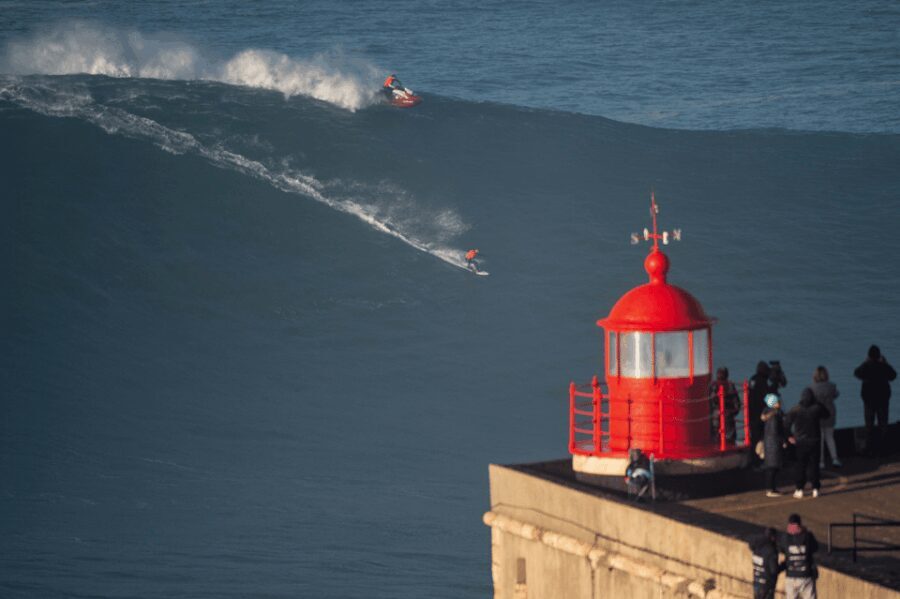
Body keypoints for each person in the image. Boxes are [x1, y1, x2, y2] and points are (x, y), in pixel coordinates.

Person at [785, 388, 830, 498]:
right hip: (815, 441)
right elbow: (827, 414)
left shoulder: (795, 409)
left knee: (800, 466)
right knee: (814, 466)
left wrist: (789, 437)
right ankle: (815, 489)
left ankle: (799, 489)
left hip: (800, 442)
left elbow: (786, 424)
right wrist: (818, 402)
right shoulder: (817, 408)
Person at [853, 345, 896, 456]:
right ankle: (884, 449)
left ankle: (870, 449)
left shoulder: (866, 366)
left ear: (869, 355)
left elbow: (856, 373)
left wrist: (865, 362)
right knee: (883, 424)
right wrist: (885, 363)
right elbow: (893, 375)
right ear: (878, 355)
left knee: (869, 425)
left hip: (869, 400)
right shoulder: (883, 366)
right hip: (882, 399)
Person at [777, 514, 819, 599]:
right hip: (806, 575)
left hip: (791, 575)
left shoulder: (785, 537)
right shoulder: (808, 536)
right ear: (800, 524)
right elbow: (815, 548)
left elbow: (781, 549)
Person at [810, 366, 841, 469]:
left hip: (817, 414)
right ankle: (835, 458)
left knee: (820, 438)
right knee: (830, 437)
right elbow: (836, 395)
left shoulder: (812, 388)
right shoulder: (832, 386)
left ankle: (821, 462)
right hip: (830, 413)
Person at [761, 393, 787, 497]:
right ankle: (770, 489)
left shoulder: (767, 413)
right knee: (773, 468)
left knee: (771, 467)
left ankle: (771, 488)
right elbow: (776, 430)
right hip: (774, 444)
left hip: (769, 443)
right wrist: (783, 441)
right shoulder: (776, 416)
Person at [709, 367, 741, 444]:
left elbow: (710, 400)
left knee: (715, 433)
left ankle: (717, 445)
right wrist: (733, 412)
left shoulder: (713, 385)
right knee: (729, 435)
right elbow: (736, 402)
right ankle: (729, 444)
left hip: (715, 414)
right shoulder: (730, 385)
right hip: (728, 413)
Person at [749, 527, 783, 599]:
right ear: (772, 537)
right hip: (767, 585)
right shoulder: (771, 551)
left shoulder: (757, 547)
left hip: (757, 582)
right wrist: (783, 565)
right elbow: (774, 570)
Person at [748, 361, 772, 454]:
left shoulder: (752, 379)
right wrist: (775, 404)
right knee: (759, 437)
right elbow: (767, 397)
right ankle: (757, 458)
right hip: (759, 413)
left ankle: (753, 456)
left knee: (753, 436)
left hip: (751, 411)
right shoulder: (762, 382)